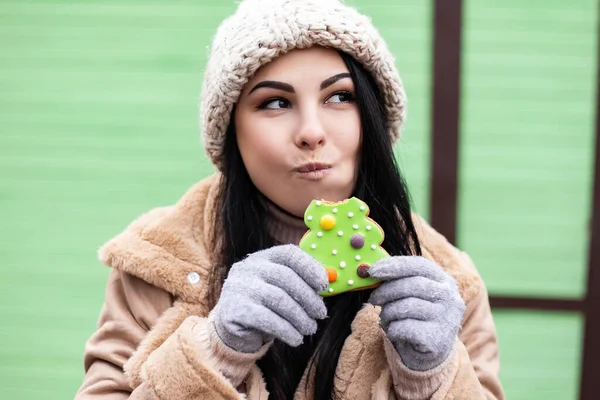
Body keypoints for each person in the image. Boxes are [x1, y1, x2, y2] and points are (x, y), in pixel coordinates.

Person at [75, 0, 504, 399]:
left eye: (340, 96)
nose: (311, 131)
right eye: (276, 102)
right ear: (231, 131)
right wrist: (215, 350)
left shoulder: (450, 282)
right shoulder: (154, 261)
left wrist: (430, 377)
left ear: (372, 118)